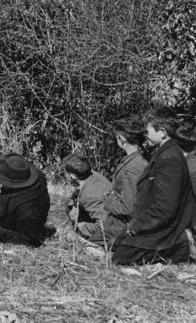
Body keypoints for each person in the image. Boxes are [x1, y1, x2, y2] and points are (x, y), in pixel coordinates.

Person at [112, 107, 196, 265]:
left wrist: (135, 226)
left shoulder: (170, 159)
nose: (144, 135)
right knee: (116, 247)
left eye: (148, 131)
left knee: (121, 258)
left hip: (166, 232)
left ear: (162, 132)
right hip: (155, 225)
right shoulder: (166, 153)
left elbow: (164, 208)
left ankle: (178, 249)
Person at [84, 115, 149, 246]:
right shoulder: (138, 159)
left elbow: (127, 208)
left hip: (120, 226)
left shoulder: (133, 167)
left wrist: (108, 198)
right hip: (120, 224)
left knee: (87, 246)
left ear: (121, 138)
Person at [63, 154, 111, 240]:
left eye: (65, 172)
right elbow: (77, 192)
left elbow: (103, 227)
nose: (64, 174)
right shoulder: (89, 175)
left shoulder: (90, 196)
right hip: (101, 211)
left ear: (72, 176)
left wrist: (81, 226)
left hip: (110, 227)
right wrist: (74, 205)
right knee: (69, 203)